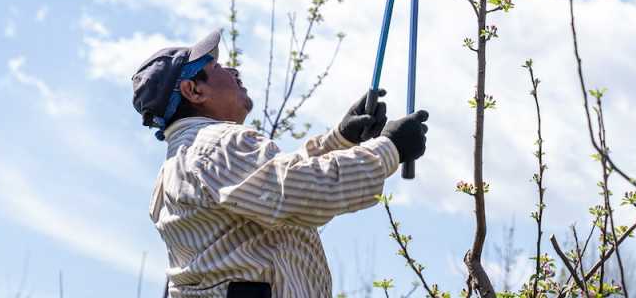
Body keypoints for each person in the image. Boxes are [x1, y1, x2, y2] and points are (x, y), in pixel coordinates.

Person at [131, 29, 430, 298]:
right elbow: (304, 192)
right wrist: (391, 148)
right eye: (216, 66)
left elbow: (267, 190)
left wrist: (340, 139)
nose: (233, 70)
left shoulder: (177, 166)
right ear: (194, 91)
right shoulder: (217, 145)